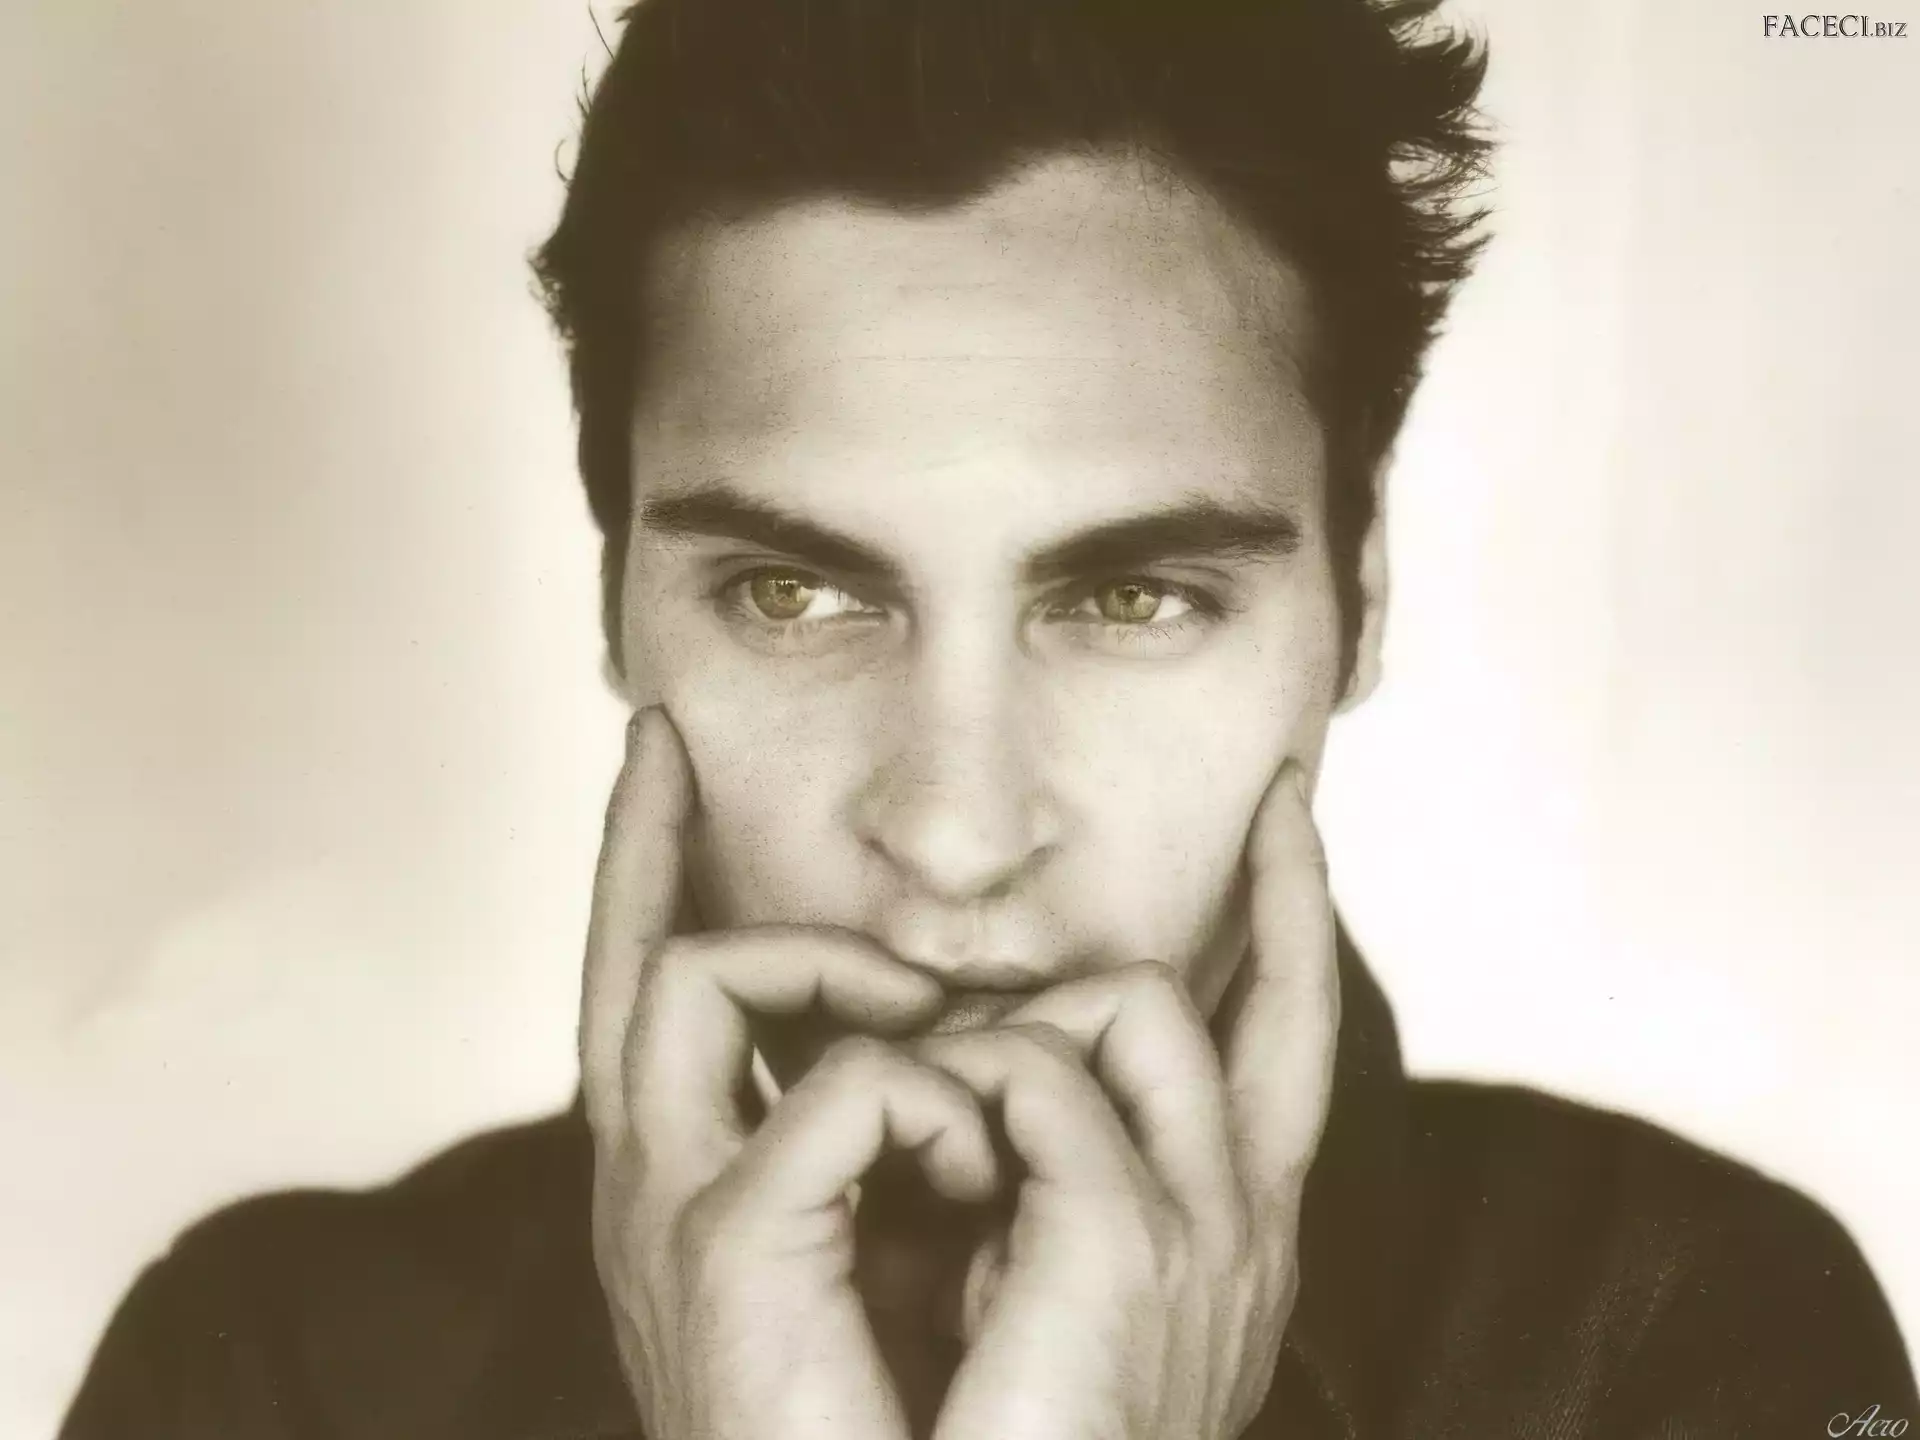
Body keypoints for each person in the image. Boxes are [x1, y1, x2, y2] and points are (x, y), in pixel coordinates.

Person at [60, 0, 1917, 1436]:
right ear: (615, 590)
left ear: (1359, 600)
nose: (954, 838)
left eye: (1133, 597)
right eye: (792, 595)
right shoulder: (264, 1376)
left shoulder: (1698, 1338)